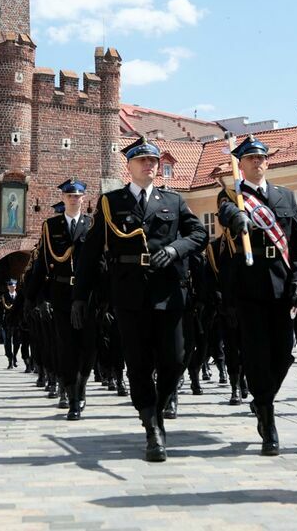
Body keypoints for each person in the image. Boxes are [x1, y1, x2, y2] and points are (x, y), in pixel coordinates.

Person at [73, 136, 208, 463]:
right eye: (142, 160)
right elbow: (90, 254)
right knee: (138, 364)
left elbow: (199, 235)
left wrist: (176, 249)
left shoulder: (173, 201)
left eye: (152, 160)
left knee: (175, 359)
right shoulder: (110, 203)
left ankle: (156, 410)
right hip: (129, 293)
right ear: (129, 166)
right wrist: (81, 297)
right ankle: (151, 425)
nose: (149, 165)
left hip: (168, 291)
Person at [217, 135, 297, 456]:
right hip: (250, 287)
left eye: (261, 158)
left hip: (282, 286)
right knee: (256, 355)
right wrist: (236, 217)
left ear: (267, 162)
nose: (257, 162)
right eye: (250, 159)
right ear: (240, 165)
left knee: (284, 354)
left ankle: (262, 397)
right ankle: (268, 421)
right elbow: (224, 213)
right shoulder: (232, 196)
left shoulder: (286, 197)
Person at [33, 179, 96, 419]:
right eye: (69, 196)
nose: (74, 199)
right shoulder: (51, 226)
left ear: (83, 199)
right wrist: (37, 297)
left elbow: (100, 262)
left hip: (87, 297)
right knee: (67, 347)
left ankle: (82, 383)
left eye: (78, 196)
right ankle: (73, 397)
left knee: (88, 347)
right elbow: (42, 264)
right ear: (63, 198)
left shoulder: (91, 225)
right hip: (61, 296)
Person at [0, 279, 19, 368]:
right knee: (7, 342)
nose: (12, 288)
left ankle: (14, 356)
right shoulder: (4, 297)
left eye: (13, 286)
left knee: (17, 342)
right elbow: (0, 311)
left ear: (15, 287)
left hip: (17, 322)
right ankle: (10, 359)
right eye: (10, 286)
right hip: (6, 322)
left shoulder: (19, 296)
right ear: (8, 287)